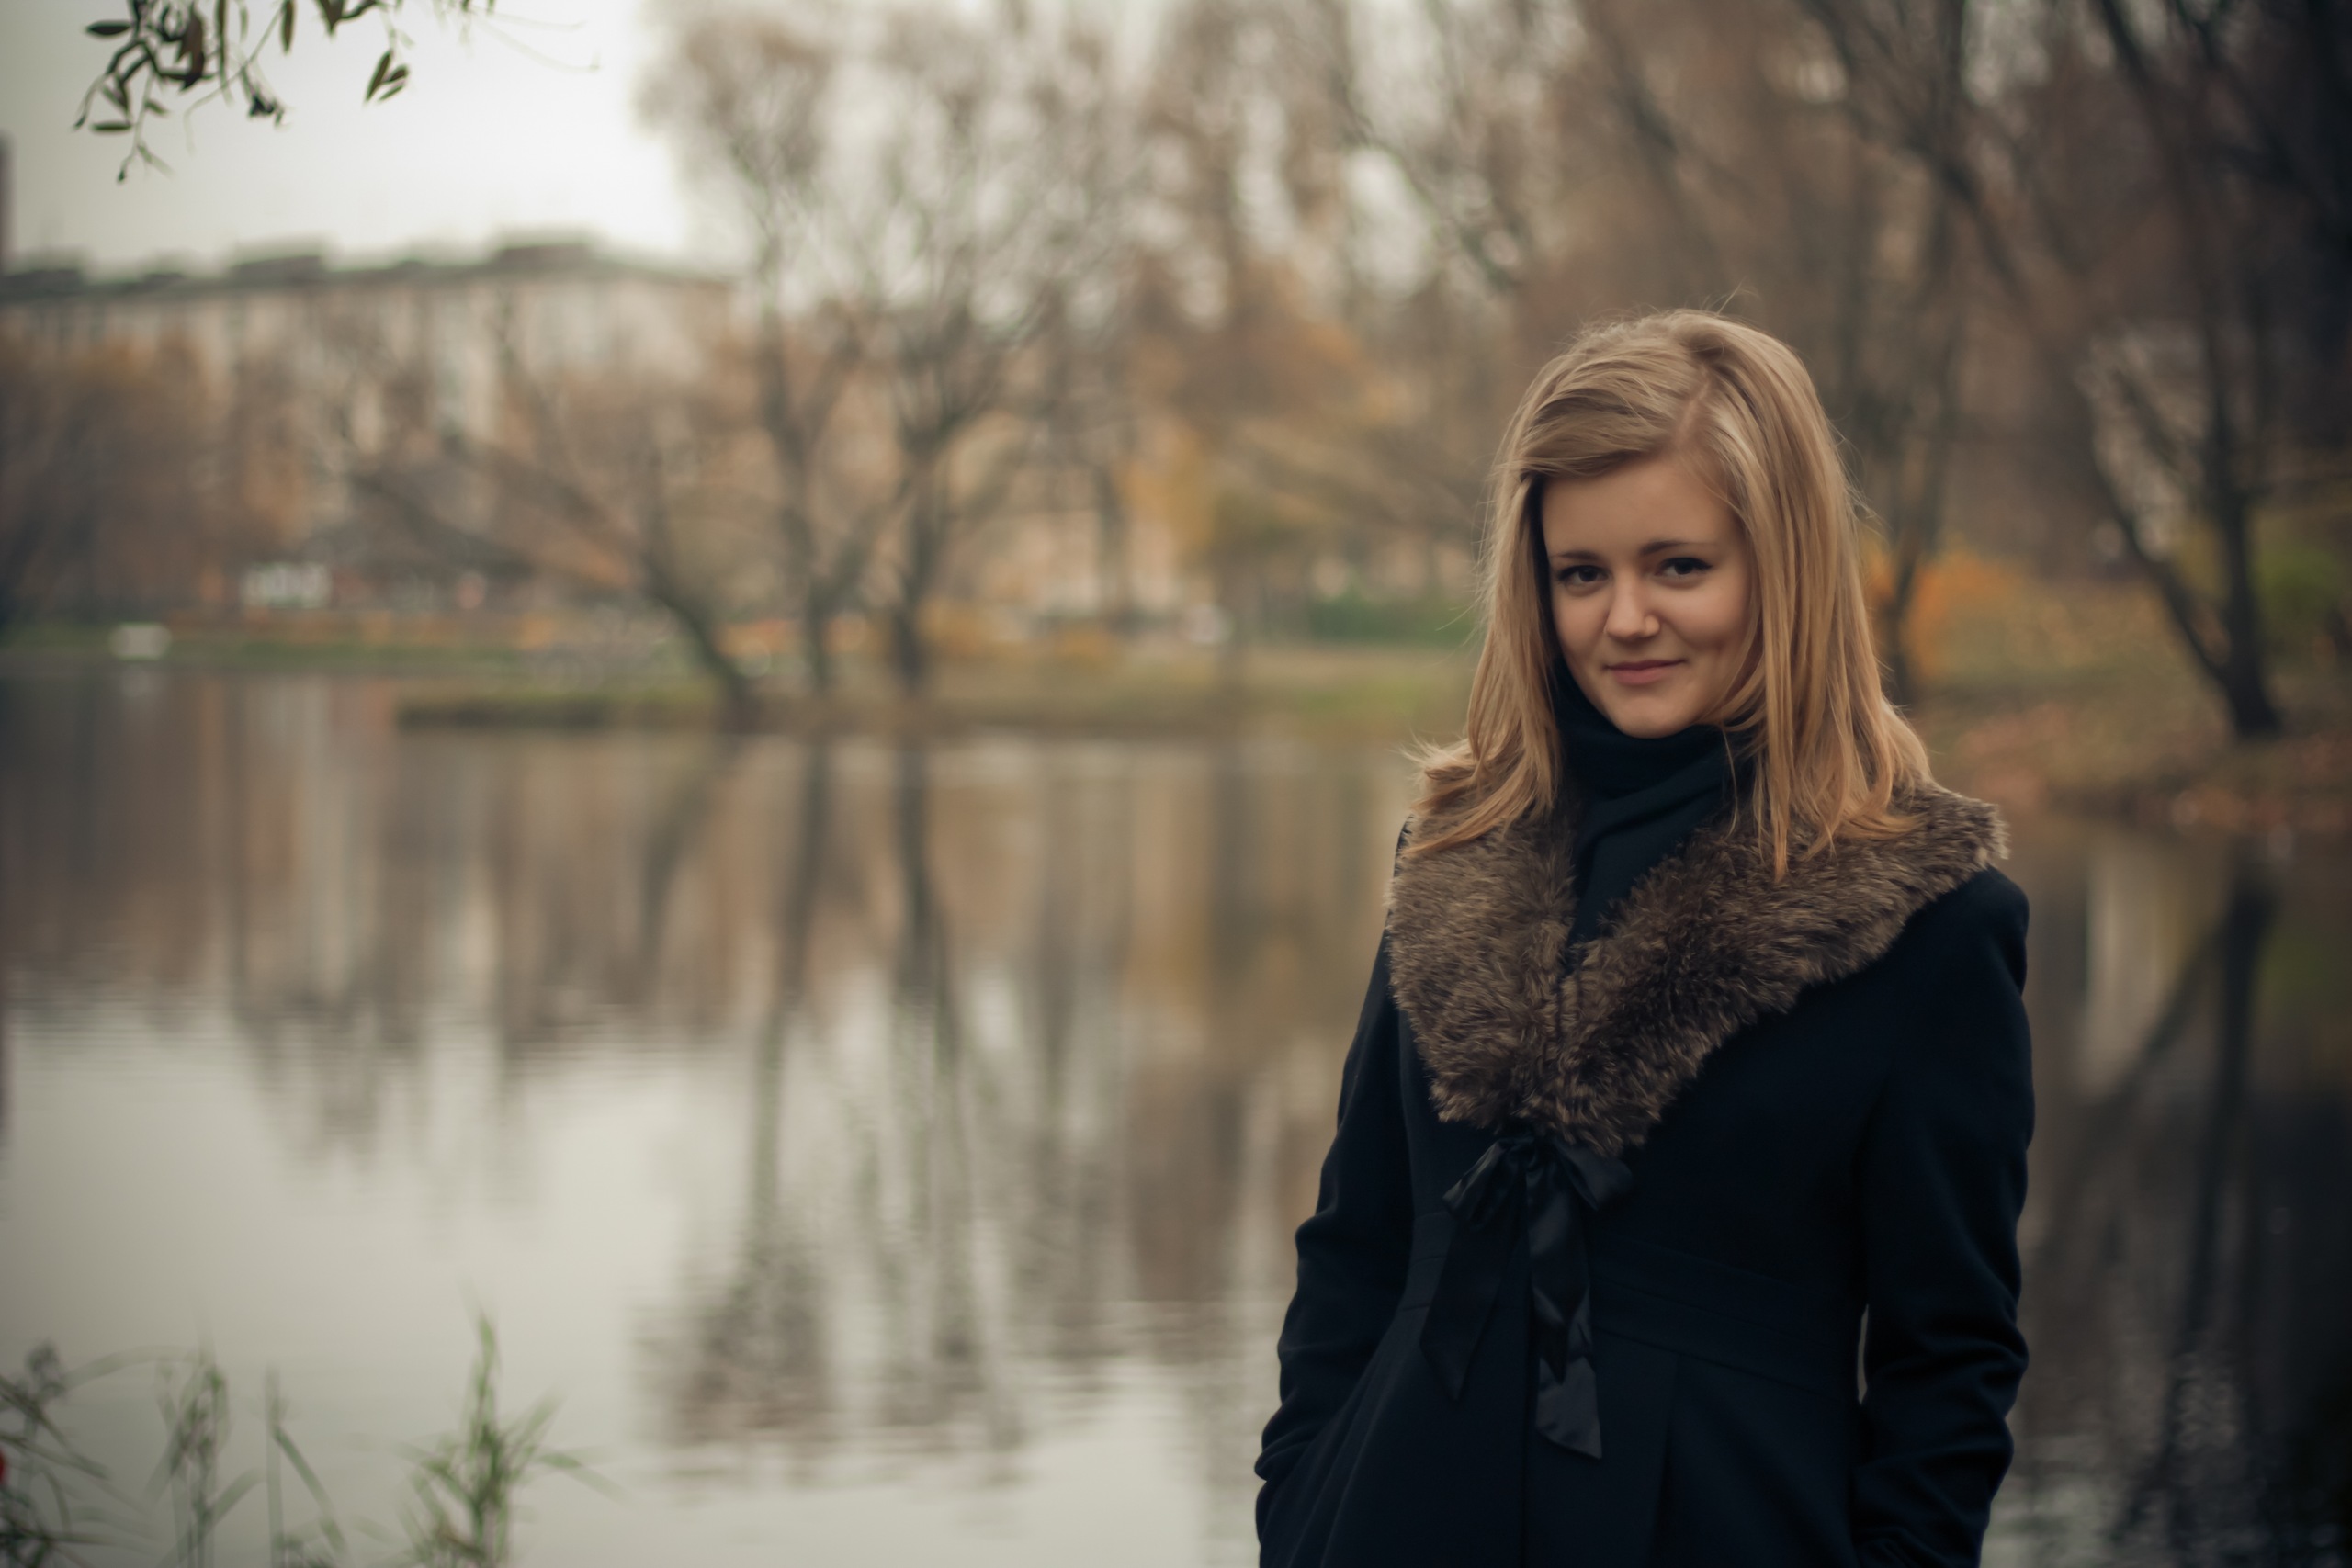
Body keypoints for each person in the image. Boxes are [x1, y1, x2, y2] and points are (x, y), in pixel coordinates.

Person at [1254, 310, 2032, 1568]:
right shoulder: (1455, 854)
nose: (1624, 619)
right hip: (1392, 1521)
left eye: (1679, 567)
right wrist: (1298, 1499)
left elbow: (1949, 1358)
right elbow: (1356, 1245)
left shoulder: (1927, 921)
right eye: (1581, 574)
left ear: (1782, 567)